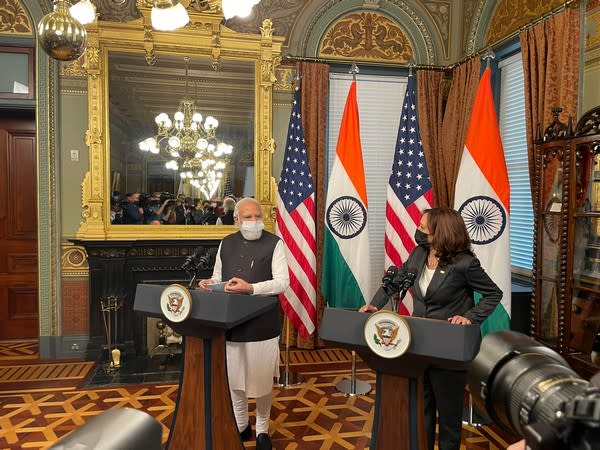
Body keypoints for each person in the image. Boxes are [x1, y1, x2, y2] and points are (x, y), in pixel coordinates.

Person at [359, 207, 502, 450]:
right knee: (422, 410)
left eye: (423, 227)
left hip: (449, 348)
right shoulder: (418, 253)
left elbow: (493, 294)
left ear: (440, 232)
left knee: (448, 417)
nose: (418, 229)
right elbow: (394, 283)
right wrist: (375, 305)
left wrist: (469, 317)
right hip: (419, 345)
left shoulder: (464, 264)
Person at [197, 197, 289, 450]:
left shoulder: (275, 243)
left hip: (263, 322)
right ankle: (241, 425)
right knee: (235, 379)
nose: (254, 221)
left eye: (257, 216)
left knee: (261, 381)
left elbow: (282, 282)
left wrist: (251, 289)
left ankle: (262, 429)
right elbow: (219, 277)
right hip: (232, 322)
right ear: (236, 220)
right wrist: (209, 284)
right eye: (248, 217)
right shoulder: (226, 243)